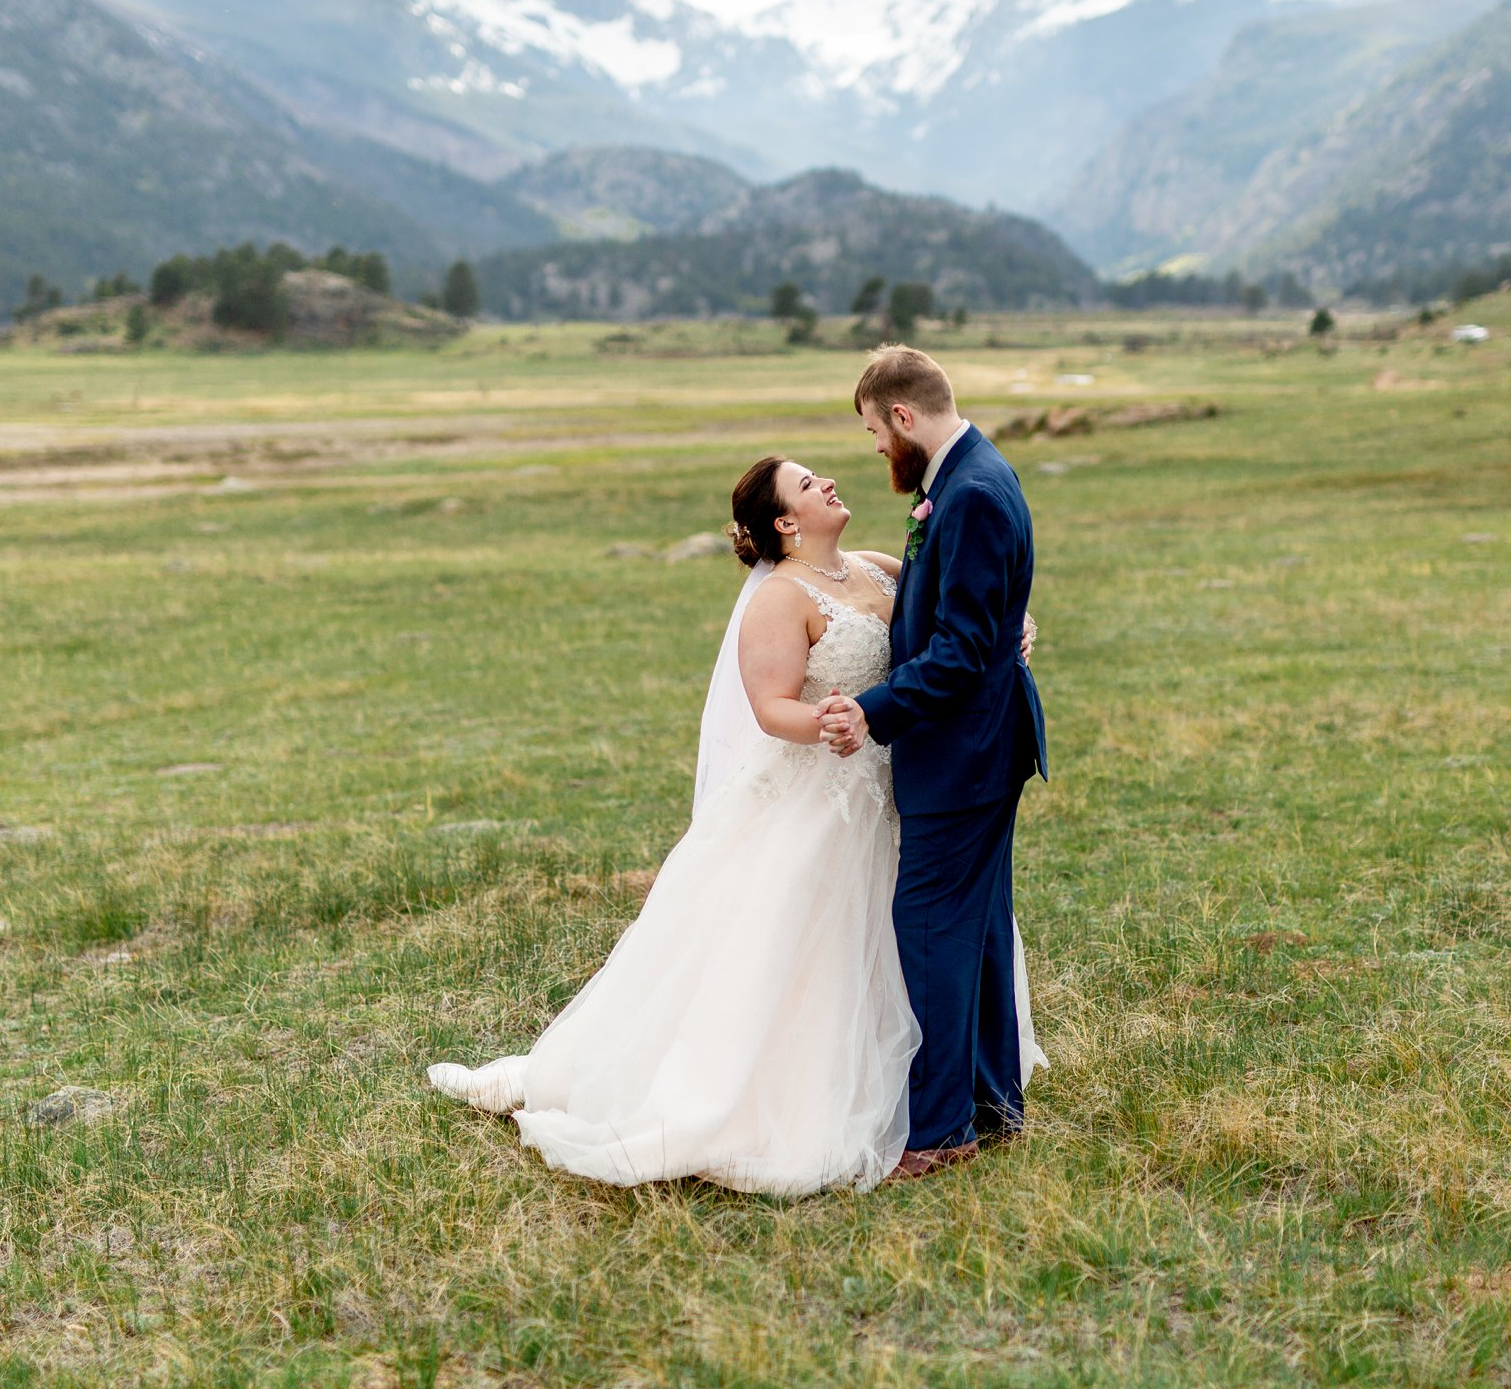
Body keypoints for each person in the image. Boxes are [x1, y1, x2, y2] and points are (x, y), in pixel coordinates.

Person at [426, 449, 1043, 1196]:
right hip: (826, 792)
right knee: (812, 949)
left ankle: (948, 1082)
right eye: (808, 484)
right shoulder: (778, 599)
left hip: (899, 784)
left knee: (914, 931)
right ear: (785, 522)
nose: (828, 482)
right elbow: (770, 707)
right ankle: (800, 1094)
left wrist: (1012, 624)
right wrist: (836, 720)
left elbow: (956, 622)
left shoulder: (878, 565)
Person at [818, 344, 1049, 1182]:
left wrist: (871, 709)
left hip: (965, 752)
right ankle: (992, 1104)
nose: (877, 447)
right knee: (978, 926)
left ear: (904, 416)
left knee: (929, 930)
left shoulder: (973, 492)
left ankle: (944, 1126)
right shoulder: (965, 478)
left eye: (877, 431)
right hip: (979, 743)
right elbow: (974, 616)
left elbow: (958, 652)